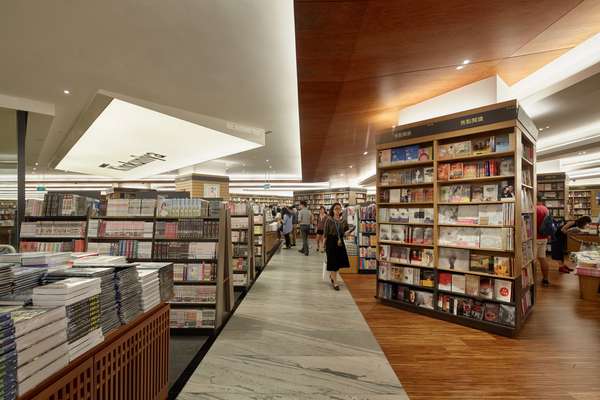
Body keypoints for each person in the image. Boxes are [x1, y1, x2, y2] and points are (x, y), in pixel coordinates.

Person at [324, 202, 350, 290]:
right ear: (333, 210)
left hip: (340, 242)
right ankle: (335, 282)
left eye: (339, 208)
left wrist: (347, 232)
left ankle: (332, 277)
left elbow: (345, 233)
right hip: (331, 242)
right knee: (333, 262)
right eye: (336, 209)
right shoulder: (329, 220)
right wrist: (323, 246)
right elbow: (325, 234)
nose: (338, 210)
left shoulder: (343, 221)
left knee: (337, 262)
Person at [536, 199, 552, 287]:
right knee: (542, 258)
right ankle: (545, 279)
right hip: (544, 237)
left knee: (532, 260)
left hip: (534, 237)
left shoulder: (534, 208)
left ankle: (531, 279)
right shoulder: (546, 209)